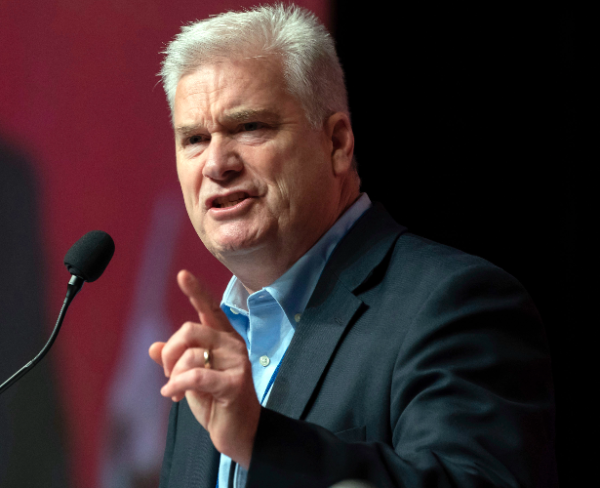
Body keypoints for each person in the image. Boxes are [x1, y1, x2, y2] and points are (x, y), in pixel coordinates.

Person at [148, 4, 557, 487]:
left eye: (249, 126)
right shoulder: (206, 364)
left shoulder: (454, 304)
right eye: (194, 138)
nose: (216, 163)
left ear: (338, 143)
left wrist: (267, 442)